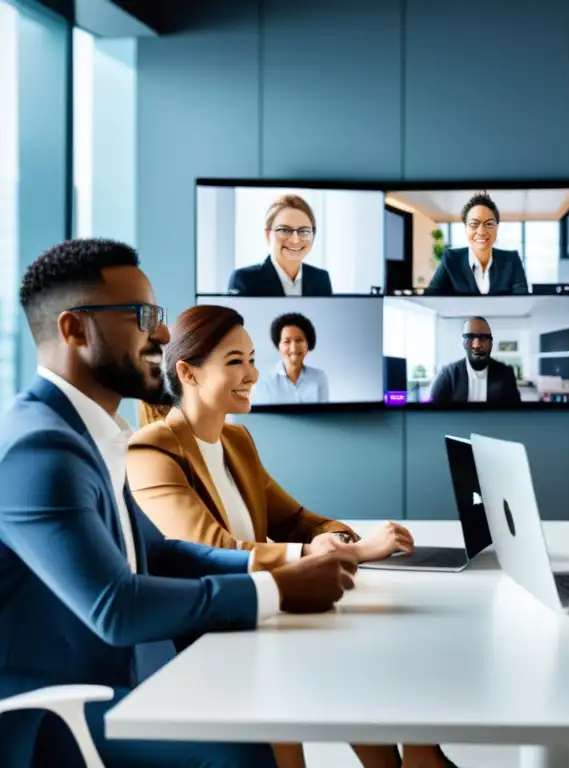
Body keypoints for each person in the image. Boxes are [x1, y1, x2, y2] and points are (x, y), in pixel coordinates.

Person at [0, 238, 355, 768]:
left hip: (112, 682)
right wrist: (275, 588)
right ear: (74, 330)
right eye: (142, 317)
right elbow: (115, 607)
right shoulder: (40, 449)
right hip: (50, 714)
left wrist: (288, 568)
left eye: (158, 315)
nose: (163, 334)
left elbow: (159, 552)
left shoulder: (89, 433)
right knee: (241, 752)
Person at [129, 304, 456, 768]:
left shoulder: (236, 441)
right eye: (235, 362)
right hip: (214, 637)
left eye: (253, 358)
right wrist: (346, 552)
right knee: (364, 663)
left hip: (267, 618)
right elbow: (211, 551)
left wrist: (339, 541)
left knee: (389, 671)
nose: (253, 373)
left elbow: (299, 519)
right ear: (189, 373)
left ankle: (421, 754)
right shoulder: (152, 450)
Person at [228, 194, 333, 297]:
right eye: (285, 230)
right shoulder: (245, 280)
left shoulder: (321, 279)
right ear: (268, 235)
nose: (295, 240)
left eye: (304, 231)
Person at [424, 193, 529, 295]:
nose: (482, 231)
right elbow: (430, 298)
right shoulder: (451, 259)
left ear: (497, 228)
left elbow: (523, 301)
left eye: (489, 224)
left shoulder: (512, 259)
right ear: (465, 229)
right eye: (474, 224)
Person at [430, 316, 521, 405]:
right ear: (464, 343)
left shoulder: (505, 373)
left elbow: (516, 413)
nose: (476, 345)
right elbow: (430, 413)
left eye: (483, 337)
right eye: (470, 337)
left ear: (491, 343)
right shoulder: (448, 374)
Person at [252, 311, 329, 404]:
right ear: (278, 345)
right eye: (287, 341)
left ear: (308, 344)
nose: (293, 348)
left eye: (299, 340)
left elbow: (324, 415)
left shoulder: (319, 377)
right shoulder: (264, 381)